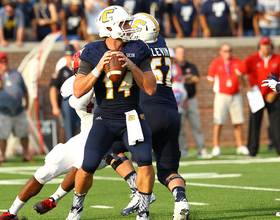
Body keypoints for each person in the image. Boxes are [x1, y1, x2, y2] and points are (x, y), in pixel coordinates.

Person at [66, 5, 156, 220]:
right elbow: (78, 90)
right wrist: (99, 68)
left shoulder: (139, 48)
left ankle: (143, 212)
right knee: (87, 167)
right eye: (124, 23)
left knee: (144, 161)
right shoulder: (92, 50)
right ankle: (76, 209)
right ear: (110, 27)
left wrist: (132, 67)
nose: (129, 27)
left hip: (131, 116)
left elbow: (151, 88)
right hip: (104, 118)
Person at [0, 51, 107, 220]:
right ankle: (11, 213)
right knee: (47, 169)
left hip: (104, 140)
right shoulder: (72, 84)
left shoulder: (110, 83)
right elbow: (78, 101)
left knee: (81, 164)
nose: (82, 72)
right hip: (84, 136)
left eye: (86, 68)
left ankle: (53, 199)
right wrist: (91, 85)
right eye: (80, 69)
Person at [108, 13, 190, 220]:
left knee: (109, 148)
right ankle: (181, 201)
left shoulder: (135, 49)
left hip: (148, 111)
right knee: (168, 171)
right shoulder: (161, 42)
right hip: (172, 112)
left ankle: (138, 190)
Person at [236, 36, 280, 157]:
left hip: (273, 95)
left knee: (276, 124)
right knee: (254, 123)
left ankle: (279, 150)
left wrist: (274, 92)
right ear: (260, 46)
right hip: (257, 95)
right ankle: (252, 150)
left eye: (268, 44)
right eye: (264, 44)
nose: (266, 47)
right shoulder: (252, 59)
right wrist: (245, 87)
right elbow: (239, 72)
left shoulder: (277, 59)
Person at [207, 43, 249, 156]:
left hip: (235, 94)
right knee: (218, 121)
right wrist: (219, 87)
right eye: (225, 51)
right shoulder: (216, 62)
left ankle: (240, 145)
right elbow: (210, 79)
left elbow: (243, 76)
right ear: (221, 52)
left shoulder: (237, 61)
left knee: (238, 121)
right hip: (222, 95)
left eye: (229, 50)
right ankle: (216, 146)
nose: (227, 53)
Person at [174, 45, 212, 159]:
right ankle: (182, 150)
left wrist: (183, 78)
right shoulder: (174, 67)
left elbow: (196, 79)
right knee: (179, 128)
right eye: (179, 53)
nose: (182, 55)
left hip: (191, 99)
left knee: (196, 126)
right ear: (175, 54)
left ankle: (201, 149)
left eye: (183, 52)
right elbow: (175, 79)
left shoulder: (190, 66)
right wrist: (187, 77)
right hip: (179, 101)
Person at [0, 53, 35, 163]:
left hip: (19, 110)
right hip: (4, 111)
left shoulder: (16, 74)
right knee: (2, 135)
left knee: (24, 133)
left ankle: (25, 155)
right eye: (2, 61)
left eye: (6, 61)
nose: (4, 63)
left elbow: (25, 90)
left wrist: (27, 104)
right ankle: (3, 157)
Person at [49, 44, 80, 142]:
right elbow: (53, 88)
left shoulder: (81, 69)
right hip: (67, 100)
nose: (70, 57)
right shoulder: (61, 71)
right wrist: (55, 107)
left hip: (80, 100)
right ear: (64, 56)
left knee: (83, 126)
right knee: (68, 127)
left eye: (72, 55)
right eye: (68, 55)